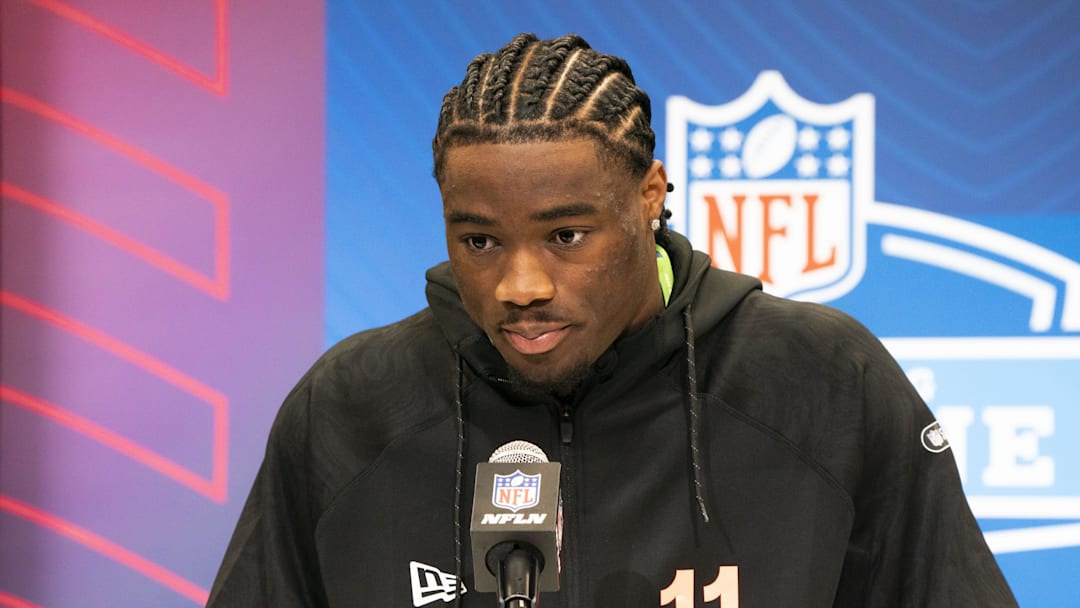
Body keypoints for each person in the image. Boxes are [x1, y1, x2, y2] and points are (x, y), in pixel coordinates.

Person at [207, 33, 1017, 607]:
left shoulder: (822, 380)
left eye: (566, 235)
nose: (518, 285)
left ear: (649, 195)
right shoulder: (353, 404)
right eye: (479, 239)